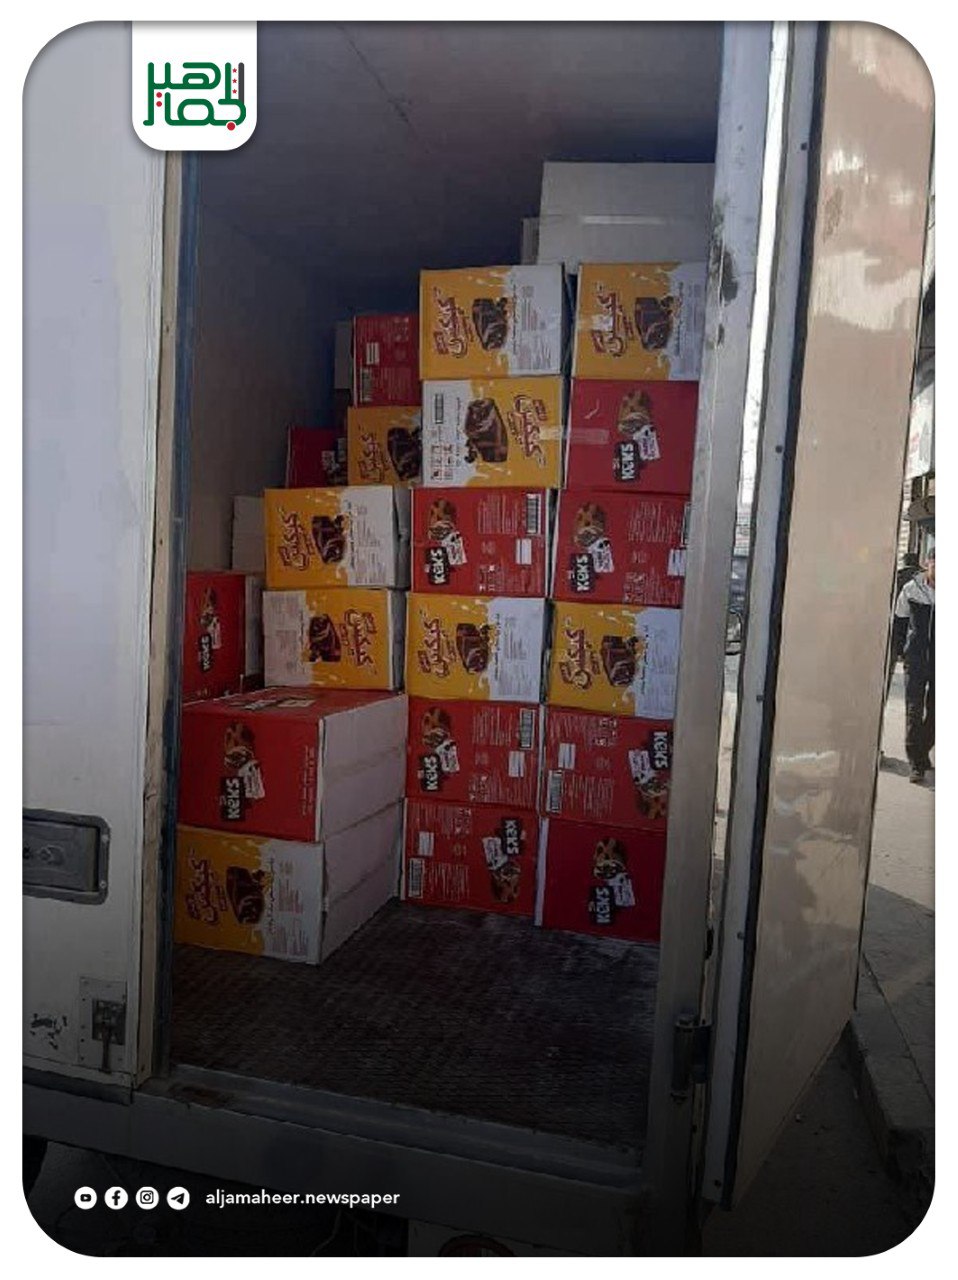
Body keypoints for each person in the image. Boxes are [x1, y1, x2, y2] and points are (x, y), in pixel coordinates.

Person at [890, 547, 935, 783]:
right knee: (914, 709)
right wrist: (900, 650)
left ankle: (923, 750)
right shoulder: (911, 589)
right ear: (928, 563)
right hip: (915, 658)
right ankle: (916, 762)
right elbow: (900, 621)